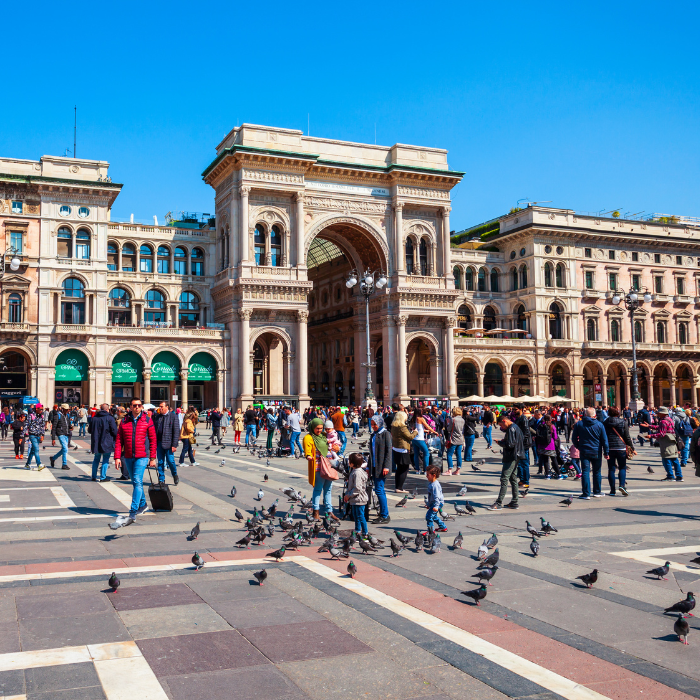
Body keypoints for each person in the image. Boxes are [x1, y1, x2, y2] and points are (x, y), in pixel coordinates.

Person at [113, 398, 157, 528]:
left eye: (139, 405)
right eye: (134, 405)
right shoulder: (124, 421)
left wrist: (152, 458)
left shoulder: (147, 420)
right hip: (128, 456)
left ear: (142, 407)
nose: (137, 407)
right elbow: (119, 440)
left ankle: (132, 512)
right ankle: (143, 505)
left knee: (137, 481)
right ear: (130, 407)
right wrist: (117, 457)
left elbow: (153, 440)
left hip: (142, 456)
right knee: (135, 482)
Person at [304, 417, 340, 521]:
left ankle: (329, 512)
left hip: (329, 466)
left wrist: (337, 447)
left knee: (328, 490)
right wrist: (308, 456)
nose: (319, 430)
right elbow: (308, 450)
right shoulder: (308, 437)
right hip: (318, 467)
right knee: (318, 489)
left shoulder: (324, 436)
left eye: (321, 428)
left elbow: (334, 444)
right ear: (312, 427)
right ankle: (316, 512)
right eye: (317, 428)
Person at [572, 407, 609, 500]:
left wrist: (578, 446)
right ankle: (597, 491)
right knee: (597, 472)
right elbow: (604, 440)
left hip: (584, 450)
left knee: (585, 471)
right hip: (596, 451)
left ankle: (586, 493)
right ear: (595, 415)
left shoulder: (579, 424)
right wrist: (606, 451)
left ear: (585, 414)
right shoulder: (600, 425)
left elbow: (573, 438)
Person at [488, 415, 524, 510]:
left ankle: (499, 503)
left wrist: (501, 443)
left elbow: (510, 444)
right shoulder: (516, 427)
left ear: (504, 421)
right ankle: (514, 502)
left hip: (511, 457)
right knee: (513, 479)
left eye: (501, 425)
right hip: (517, 455)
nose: (502, 428)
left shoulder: (511, 429)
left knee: (504, 478)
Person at [642, 406, 682, 482]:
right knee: (675, 459)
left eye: (659, 413)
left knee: (666, 459)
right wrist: (649, 426)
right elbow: (661, 428)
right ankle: (679, 476)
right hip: (672, 441)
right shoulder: (669, 419)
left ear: (662, 414)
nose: (658, 414)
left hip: (666, 442)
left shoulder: (663, 421)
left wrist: (651, 436)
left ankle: (670, 476)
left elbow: (662, 433)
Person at [603, 406, 635, 496]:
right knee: (622, 467)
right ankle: (622, 485)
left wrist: (604, 448)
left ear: (608, 413)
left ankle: (612, 490)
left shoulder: (605, 422)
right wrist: (632, 448)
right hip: (621, 448)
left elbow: (603, 436)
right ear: (618, 413)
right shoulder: (622, 422)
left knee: (611, 469)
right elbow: (627, 437)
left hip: (609, 448)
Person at [368, 413, 392, 525]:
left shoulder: (385, 434)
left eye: (375, 424)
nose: (373, 426)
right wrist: (368, 466)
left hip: (382, 466)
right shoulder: (373, 435)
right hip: (374, 466)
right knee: (379, 490)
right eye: (372, 424)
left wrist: (387, 466)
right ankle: (384, 513)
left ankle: (385, 515)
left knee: (379, 490)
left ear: (380, 423)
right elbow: (371, 453)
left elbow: (389, 451)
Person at [88, 403, 118, 481]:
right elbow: (114, 431)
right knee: (105, 459)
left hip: (96, 442)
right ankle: (103, 477)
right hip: (107, 442)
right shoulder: (110, 418)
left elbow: (89, 430)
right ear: (107, 409)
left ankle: (93, 476)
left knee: (96, 459)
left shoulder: (94, 418)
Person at [153, 401, 181, 485]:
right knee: (160, 462)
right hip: (159, 443)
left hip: (169, 443)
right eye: (159, 406)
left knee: (170, 461)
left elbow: (176, 431)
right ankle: (161, 480)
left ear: (167, 407)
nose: (160, 408)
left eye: (162, 406)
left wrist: (174, 444)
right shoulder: (158, 417)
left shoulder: (173, 416)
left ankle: (174, 475)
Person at [391, 411, 416, 493]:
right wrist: (415, 432)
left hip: (396, 448)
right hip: (403, 449)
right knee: (404, 469)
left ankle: (397, 487)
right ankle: (400, 488)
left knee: (399, 469)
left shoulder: (394, 426)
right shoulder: (402, 427)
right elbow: (409, 437)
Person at [344, 452, 369, 536]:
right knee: (356, 516)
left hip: (359, 498)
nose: (348, 462)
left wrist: (348, 495)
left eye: (349, 461)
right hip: (356, 499)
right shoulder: (356, 471)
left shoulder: (357, 473)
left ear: (352, 463)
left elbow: (357, 488)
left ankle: (365, 533)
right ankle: (358, 531)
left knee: (360, 516)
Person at [411, 407, 438, 474]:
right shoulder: (421, 418)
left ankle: (417, 469)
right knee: (426, 453)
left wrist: (425, 431)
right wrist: (434, 432)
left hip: (414, 439)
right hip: (420, 439)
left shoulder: (413, 418)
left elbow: (418, 428)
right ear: (420, 412)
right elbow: (427, 426)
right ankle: (426, 470)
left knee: (416, 454)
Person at [49, 404, 72, 470]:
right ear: (63, 409)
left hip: (66, 434)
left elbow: (68, 424)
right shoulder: (57, 415)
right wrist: (53, 438)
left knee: (64, 449)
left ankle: (53, 458)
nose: (68, 411)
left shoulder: (66, 415)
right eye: (67, 410)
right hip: (60, 433)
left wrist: (70, 427)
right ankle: (64, 464)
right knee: (65, 448)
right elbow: (54, 427)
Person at [535, 414, 559, 479]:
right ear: (550, 419)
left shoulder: (540, 426)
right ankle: (558, 474)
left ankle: (547, 474)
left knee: (545, 460)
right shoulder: (552, 426)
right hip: (550, 445)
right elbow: (555, 437)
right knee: (554, 459)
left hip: (541, 445)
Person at [514, 407, 532, 490]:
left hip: (523, 444)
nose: (514, 411)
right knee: (520, 463)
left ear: (521, 409)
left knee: (524, 463)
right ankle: (522, 479)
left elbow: (526, 433)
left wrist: (521, 443)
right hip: (519, 443)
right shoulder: (518, 418)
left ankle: (526, 482)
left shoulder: (524, 419)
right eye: (513, 409)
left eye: (516, 409)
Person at [425, 465, 447, 532]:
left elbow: (436, 497)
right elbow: (430, 496)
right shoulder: (431, 483)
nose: (426, 476)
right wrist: (429, 504)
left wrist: (436, 506)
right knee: (434, 516)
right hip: (434, 503)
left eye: (428, 475)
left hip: (437, 503)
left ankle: (431, 531)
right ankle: (443, 527)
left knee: (429, 516)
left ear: (433, 475)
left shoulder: (435, 485)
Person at [446, 407, 465, 476]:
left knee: (449, 454)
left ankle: (449, 470)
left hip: (453, 439)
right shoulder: (463, 420)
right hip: (460, 439)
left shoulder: (453, 419)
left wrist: (448, 423)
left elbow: (449, 429)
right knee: (458, 455)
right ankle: (458, 470)